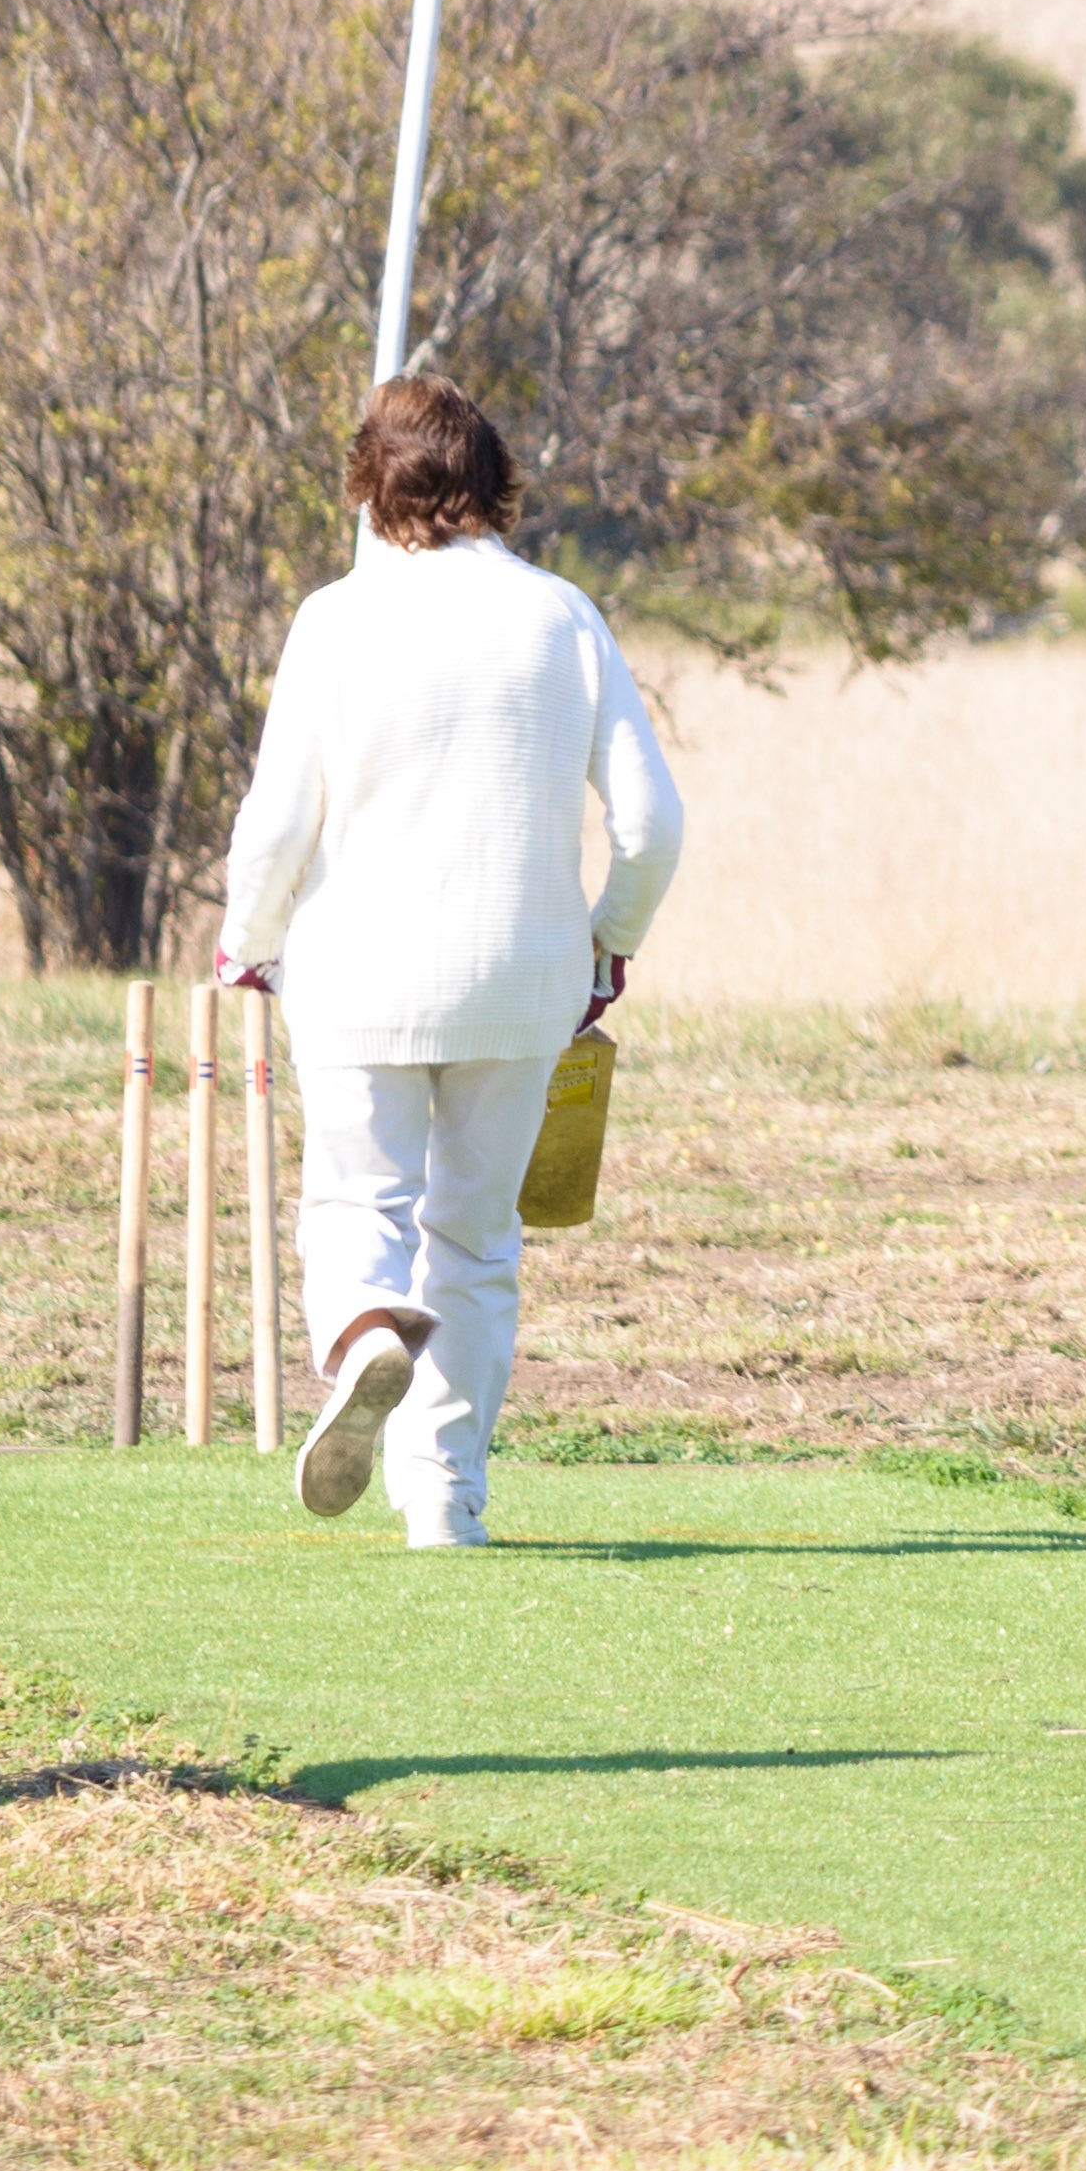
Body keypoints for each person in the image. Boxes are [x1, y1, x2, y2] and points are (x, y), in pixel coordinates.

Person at [212, 377, 685, 1550]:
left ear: (374, 486)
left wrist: (248, 940)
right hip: (522, 979)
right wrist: (608, 945)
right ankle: (447, 1498)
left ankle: (369, 1331)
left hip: (359, 971)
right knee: (474, 1240)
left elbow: (276, 826)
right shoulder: (564, 615)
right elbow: (651, 822)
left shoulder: (336, 617)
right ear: (494, 481)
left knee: (356, 1203)